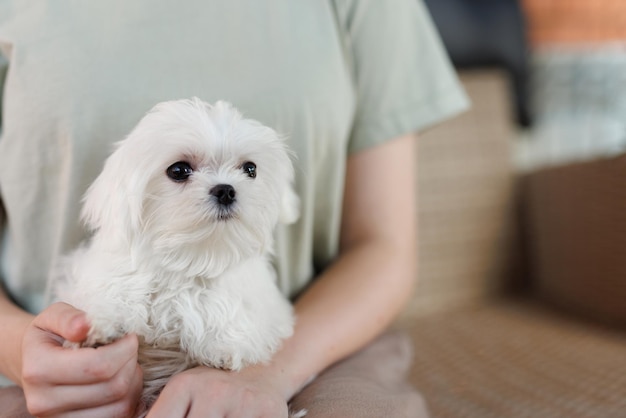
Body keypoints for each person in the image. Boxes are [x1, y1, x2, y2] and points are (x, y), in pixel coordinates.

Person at [0, 1, 468, 417]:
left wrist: (268, 372)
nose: (224, 187)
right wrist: (18, 347)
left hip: (312, 342)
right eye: (182, 171)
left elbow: (383, 245)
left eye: (246, 169)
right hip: (37, 359)